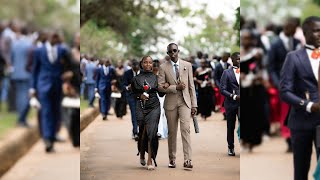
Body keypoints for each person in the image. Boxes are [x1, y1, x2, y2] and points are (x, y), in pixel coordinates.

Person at [280, 16, 320, 180]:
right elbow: (284, 91)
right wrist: (309, 105)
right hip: (302, 121)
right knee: (301, 171)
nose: (319, 34)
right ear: (305, 32)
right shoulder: (293, 57)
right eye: (316, 30)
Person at [158, 43, 197, 169]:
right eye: (170, 51)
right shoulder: (163, 67)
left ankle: (188, 160)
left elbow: (191, 87)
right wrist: (175, 87)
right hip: (170, 103)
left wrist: (194, 105)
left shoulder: (187, 65)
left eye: (175, 51)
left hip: (185, 102)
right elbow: (160, 87)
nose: (173, 53)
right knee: (172, 132)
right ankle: (172, 159)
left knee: (186, 129)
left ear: (178, 51)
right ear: (168, 53)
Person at [30, 32, 69, 152]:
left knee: (56, 112)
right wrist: (32, 88)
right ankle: (48, 140)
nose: (55, 39)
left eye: (57, 37)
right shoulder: (38, 51)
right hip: (43, 85)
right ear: (48, 37)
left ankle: (52, 135)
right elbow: (34, 70)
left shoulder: (62, 50)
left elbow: (68, 66)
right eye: (53, 37)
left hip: (58, 85)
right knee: (46, 111)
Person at [268, 17, 301, 152]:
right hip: (283, 85)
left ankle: (296, 137)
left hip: (298, 84)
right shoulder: (275, 44)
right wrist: (277, 83)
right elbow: (271, 67)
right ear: (287, 28)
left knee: (298, 110)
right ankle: (288, 139)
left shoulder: (298, 42)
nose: (295, 32)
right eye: (293, 29)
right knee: (285, 112)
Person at [131, 56, 160, 170]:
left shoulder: (156, 77)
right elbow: (133, 94)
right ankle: (142, 152)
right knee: (142, 132)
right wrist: (140, 95)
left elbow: (161, 93)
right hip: (141, 106)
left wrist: (165, 87)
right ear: (141, 64)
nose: (148, 64)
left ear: (152, 64)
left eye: (150, 62)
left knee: (151, 133)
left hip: (154, 106)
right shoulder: (136, 79)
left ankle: (150, 160)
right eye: (145, 62)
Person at [220, 52, 240, 156]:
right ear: (232, 60)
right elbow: (222, 89)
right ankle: (230, 147)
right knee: (230, 126)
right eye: (237, 59)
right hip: (231, 103)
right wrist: (234, 96)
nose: (240, 60)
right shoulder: (226, 72)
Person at [123, 59, 140, 140]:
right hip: (131, 97)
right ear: (132, 66)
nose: (135, 68)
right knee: (134, 114)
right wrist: (127, 87)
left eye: (137, 66)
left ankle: (140, 131)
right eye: (134, 66)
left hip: (142, 97)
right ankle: (135, 132)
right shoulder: (127, 73)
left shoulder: (144, 73)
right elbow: (123, 85)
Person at [152, 59, 168, 139]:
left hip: (162, 97)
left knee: (162, 114)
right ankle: (157, 132)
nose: (155, 68)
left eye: (157, 67)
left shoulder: (162, 75)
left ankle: (162, 132)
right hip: (152, 97)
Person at [214, 52, 231, 120]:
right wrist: (219, 85)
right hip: (221, 86)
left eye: (228, 58)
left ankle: (227, 113)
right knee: (222, 100)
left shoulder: (229, 65)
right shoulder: (218, 66)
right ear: (223, 57)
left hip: (229, 86)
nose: (227, 59)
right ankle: (224, 113)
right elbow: (215, 77)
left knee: (228, 100)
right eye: (226, 58)